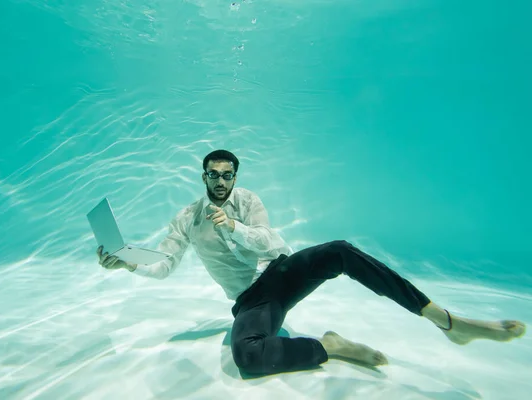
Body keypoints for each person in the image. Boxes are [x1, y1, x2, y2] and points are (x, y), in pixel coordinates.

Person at [96, 149, 526, 376]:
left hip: (280, 274)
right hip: (251, 300)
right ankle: (330, 346)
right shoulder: (186, 219)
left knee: (339, 249)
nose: (222, 181)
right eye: (214, 174)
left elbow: (273, 242)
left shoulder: (248, 202)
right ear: (203, 176)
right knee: (247, 358)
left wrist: (232, 227)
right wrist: (129, 263)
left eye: (228, 174)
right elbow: (165, 263)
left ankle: (447, 321)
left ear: (236, 177)